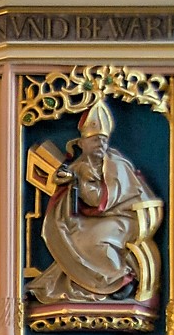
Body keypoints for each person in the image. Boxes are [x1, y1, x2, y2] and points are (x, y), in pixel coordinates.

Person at [28, 98, 161, 305]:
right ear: (82, 143)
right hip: (97, 219)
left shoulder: (116, 163)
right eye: (95, 140)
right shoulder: (80, 164)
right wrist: (61, 179)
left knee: (91, 241)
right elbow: (65, 185)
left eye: (103, 140)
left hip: (126, 217)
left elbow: (100, 199)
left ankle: (120, 280)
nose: (101, 144)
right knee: (69, 235)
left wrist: (78, 182)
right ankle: (56, 284)